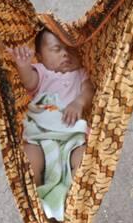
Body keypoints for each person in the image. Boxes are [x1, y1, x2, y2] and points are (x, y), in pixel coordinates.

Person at [5, 28, 95, 189]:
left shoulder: (80, 73)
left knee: (85, 159)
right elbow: (29, 81)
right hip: (41, 138)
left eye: (70, 49)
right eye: (57, 49)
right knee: (29, 159)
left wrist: (79, 102)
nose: (65, 54)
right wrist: (24, 66)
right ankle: (36, 201)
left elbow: (88, 91)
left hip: (71, 139)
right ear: (40, 57)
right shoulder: (42, 71)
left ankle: (72, 201)